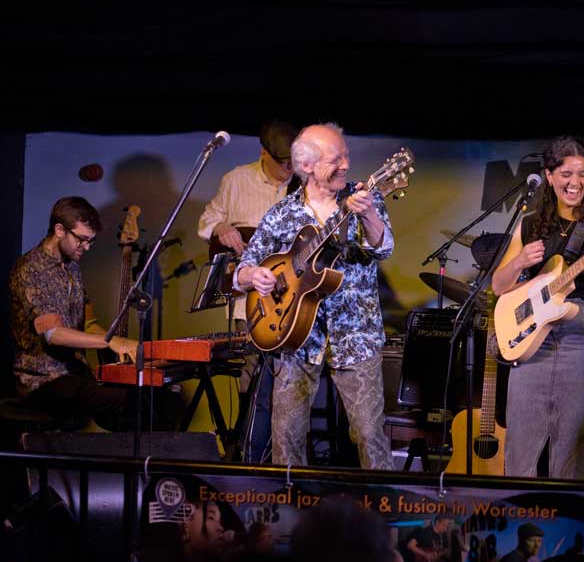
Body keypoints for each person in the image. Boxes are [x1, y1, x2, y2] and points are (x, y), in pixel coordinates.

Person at [235, 122, 393, 469]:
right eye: (335, 159)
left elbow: (383, 249)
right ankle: (290, 501)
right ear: (306, 166)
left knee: (369, 434)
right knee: (286, 435)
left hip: (356, 335)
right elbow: (244, 268)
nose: (346, 165)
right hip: (294, 334)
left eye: (346, 156)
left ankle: (384, 498)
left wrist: (368, 214)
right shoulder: (282, 213)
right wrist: (255, 276)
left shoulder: (364, 198)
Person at [492, 136, 584, 480]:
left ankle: (573, 508)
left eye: (582, 174)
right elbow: (498, 285)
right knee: (521, 438)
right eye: (567, 174)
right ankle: (518, 505)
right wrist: (520, 261)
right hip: (534, 338)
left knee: (575, 444)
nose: (575, 182)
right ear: (549, 175)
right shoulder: (530, 225)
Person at [8, 196, 184, 430]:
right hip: (42, 381)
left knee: (160, 396)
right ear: (59, 230)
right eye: (82, 240)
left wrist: (123, 343)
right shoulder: (30, 268)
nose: (87, 247)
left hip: (76, 374)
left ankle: (149, 452)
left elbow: (89, 322)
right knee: (128, 402)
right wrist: (110, 341)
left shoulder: (71, 267)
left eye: (90, 241)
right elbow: (53, 334)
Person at [197, 119, 298, 464]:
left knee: (287, 386)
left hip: (294, 303)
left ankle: (281, 459)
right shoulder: (236, 180)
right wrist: (222, 227)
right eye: (283, 163)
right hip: (249, 303)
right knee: (251, 380)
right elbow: (206, 222)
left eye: (294, 162)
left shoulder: (303, 185)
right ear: (264, 154)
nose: (290, 169)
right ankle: (249, 456)